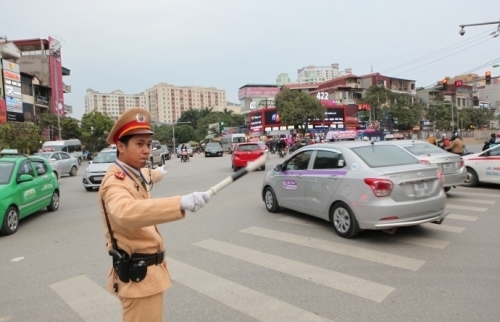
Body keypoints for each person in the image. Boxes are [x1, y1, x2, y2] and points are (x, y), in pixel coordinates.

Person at [97, 107, 210, 321]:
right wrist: (180, 202)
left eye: (148, 144)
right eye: (139, 144)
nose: (147, 150)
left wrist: (158, 173)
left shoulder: (134, 173)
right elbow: (126, 212)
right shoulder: (115, 183)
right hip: (138, 278)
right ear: (120, 146)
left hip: (148, 275)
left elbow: (148, 175)